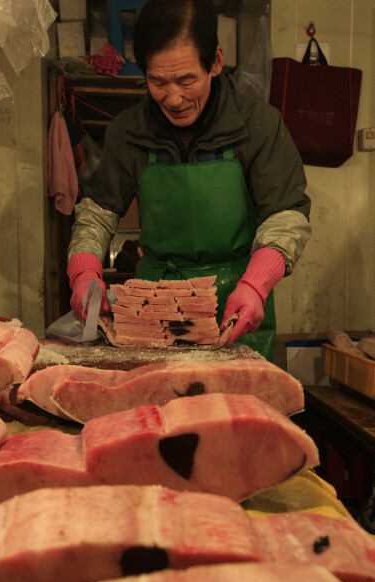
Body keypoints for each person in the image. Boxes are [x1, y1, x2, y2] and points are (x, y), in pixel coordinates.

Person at [67, 0, 311, 360]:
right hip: (155, 308)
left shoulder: (258, 126)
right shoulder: (127, 131)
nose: (174, 98)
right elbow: (98, 211)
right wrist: (83, 272)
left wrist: (256, 285)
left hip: (236, 302)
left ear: (215, 61)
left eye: (186, 80)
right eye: (157, 81)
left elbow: (286, 216)